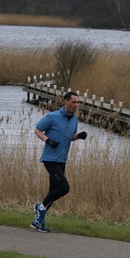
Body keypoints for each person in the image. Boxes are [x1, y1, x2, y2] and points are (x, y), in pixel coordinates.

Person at [32, 91, 87, 232]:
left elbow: (70, 137)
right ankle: (40, 208)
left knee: (53, 190)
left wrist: (79, 136)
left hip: (62, 159)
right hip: (50, 159)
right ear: (65, 102)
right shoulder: (53, 116)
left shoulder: (74, 119)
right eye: (74, 102)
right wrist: (48, 140)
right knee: (64, 187)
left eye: (78, 102)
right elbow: (37, 130)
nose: (76, 105)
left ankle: (38, 221)